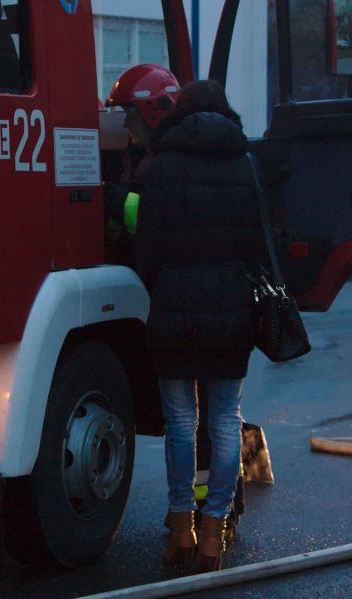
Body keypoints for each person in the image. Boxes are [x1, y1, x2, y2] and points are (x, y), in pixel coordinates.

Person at [134, 80, 263, 573]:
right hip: (231, 306)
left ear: (180, 113)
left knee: (180, 422)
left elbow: (148, 246)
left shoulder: (161, 166)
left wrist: (161, 286)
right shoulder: (244, 163)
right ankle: (214, 534)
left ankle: (180, 529)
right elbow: (258, 243)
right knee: (225, 420)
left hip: (174, 305)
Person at [103, 64, 180, 258]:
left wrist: (108, 196)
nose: (124, 124)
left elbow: (148, 218)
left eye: (131, 117)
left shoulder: (165, 165)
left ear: (153, 115)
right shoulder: (152, 157)